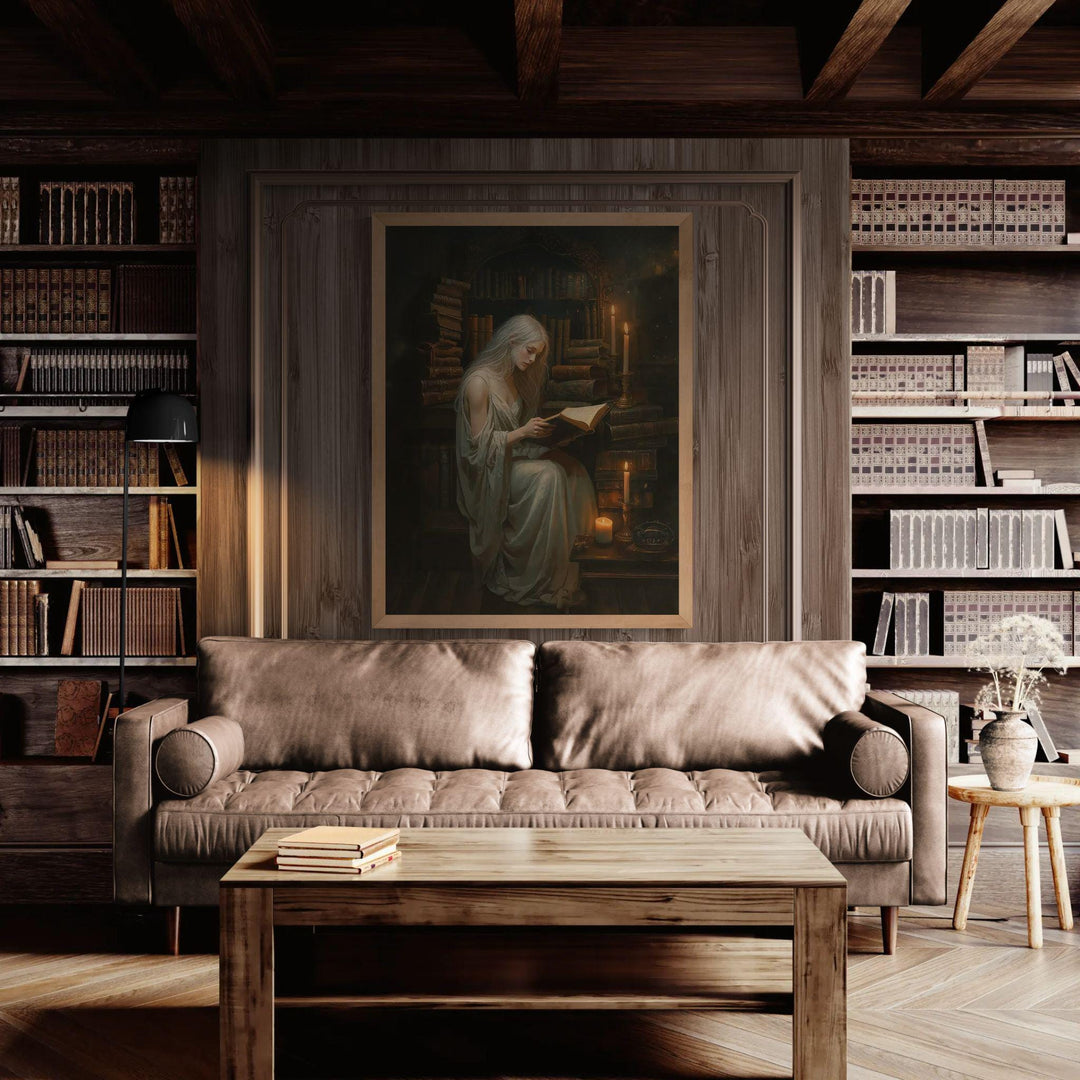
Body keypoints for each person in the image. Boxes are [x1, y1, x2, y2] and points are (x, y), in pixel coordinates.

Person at [455, 313, 597, 609]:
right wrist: (523, 431)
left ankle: (576, 559)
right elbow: (478, 449)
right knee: (549, 475)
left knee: (574, 468)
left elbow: (514, 437)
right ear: (511, 342)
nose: (533, 359)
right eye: (529, 350)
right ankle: (541, 575)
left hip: (512, 456)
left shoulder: (512, 379)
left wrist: (555, 437)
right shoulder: (478, 383)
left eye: (538, 354)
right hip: (488, 472)